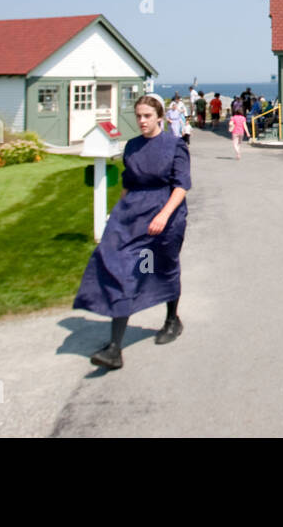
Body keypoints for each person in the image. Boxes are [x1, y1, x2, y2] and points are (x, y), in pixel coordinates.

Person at [74, 92, 191, 370]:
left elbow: (181, 186)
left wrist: (164, 215)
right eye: (138, 116)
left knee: (163, 267)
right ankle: (115, 347)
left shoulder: (175, 145)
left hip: (166, 214)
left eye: (147, 116)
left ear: (160, 117)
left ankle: (172, 319)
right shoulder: (132, 146)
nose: (141, 121)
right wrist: (117, 213)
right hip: (133, 214)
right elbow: (128, 184)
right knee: (122, 270)